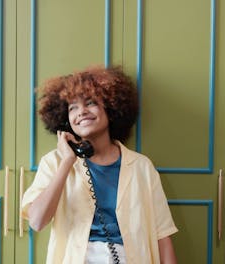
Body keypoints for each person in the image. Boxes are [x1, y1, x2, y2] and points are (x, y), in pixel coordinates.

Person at [21, 65, 178, 264]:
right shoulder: (54, 163)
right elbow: (37, 221)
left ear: (110, 109)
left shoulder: (142, 167)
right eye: (73, 107)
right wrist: (67, 162)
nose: (82, 112)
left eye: (91, 103)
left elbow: (162, 236)